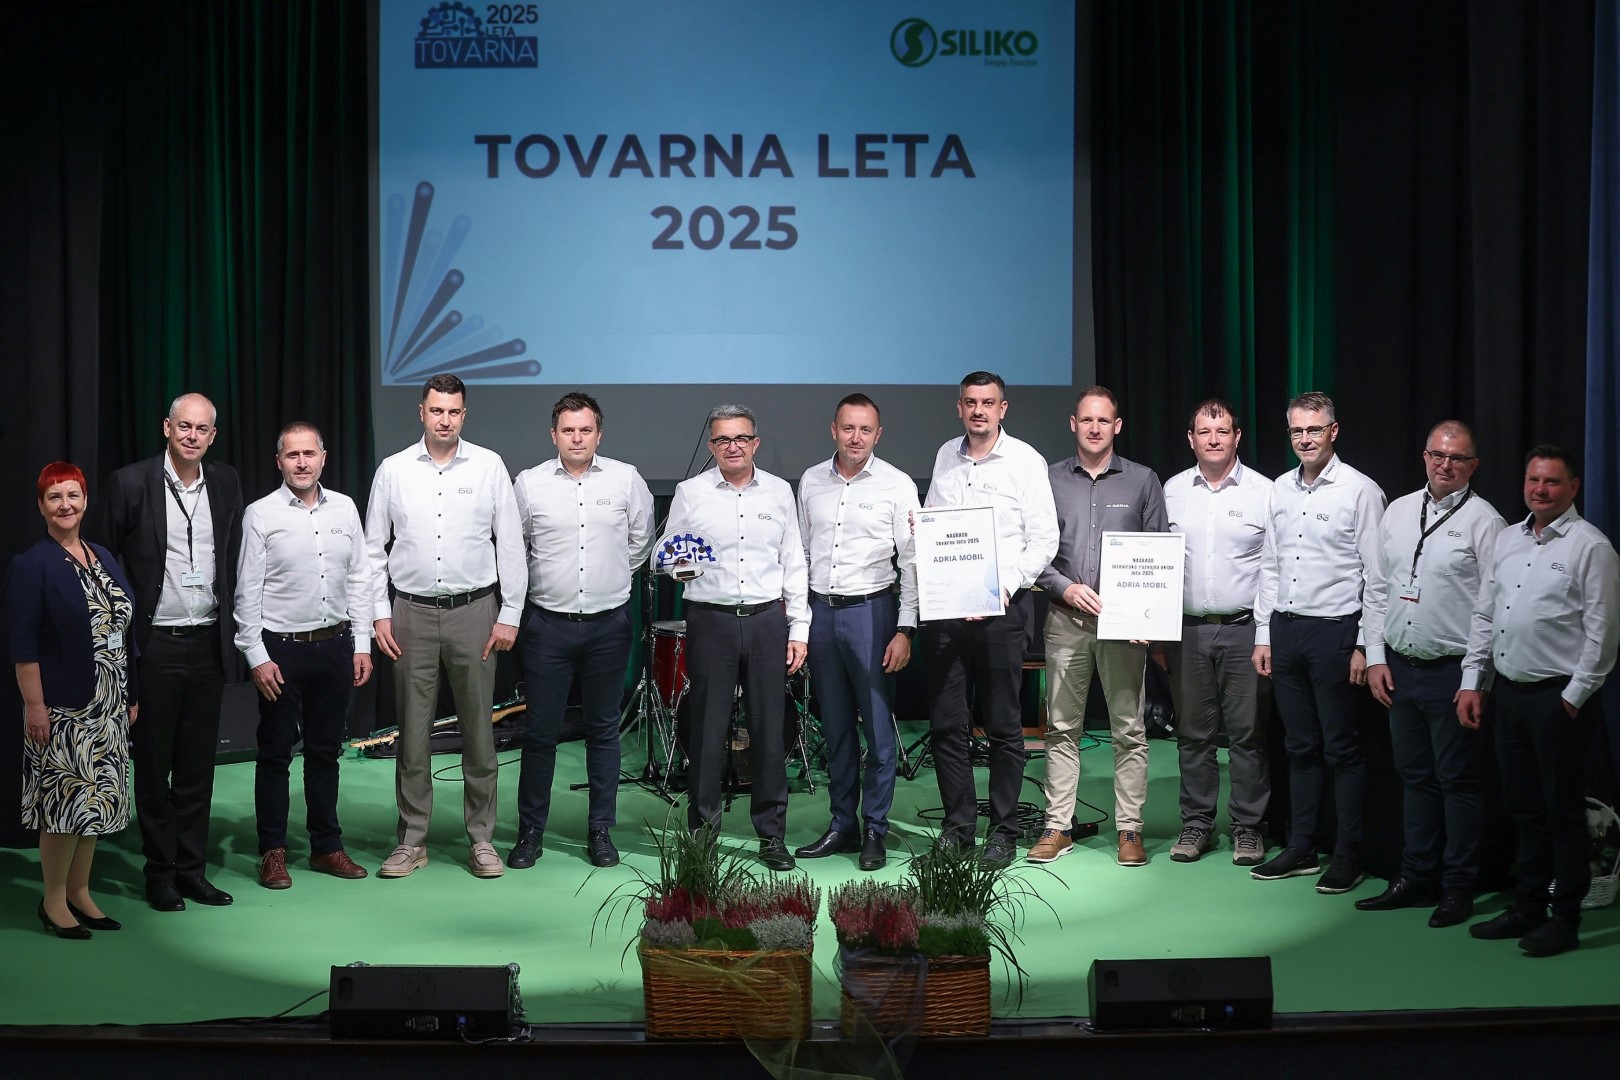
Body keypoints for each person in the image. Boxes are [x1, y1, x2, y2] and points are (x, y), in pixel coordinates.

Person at [1457, 446, 1619, 957]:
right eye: (1533, 480)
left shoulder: (1591, 548)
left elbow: (1603, 635)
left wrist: (1571, 699)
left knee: (1563, 814)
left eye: (1551, 482)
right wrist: (1474, 681)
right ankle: (1526, 906)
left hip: (1559, 700)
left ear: (1573, 487)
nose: (1540, 490)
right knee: (1523, 809)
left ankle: (1564, 919)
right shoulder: (1507, 539)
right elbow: (1485, 616)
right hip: (1509, 695)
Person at [365, 373, 525, 879]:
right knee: (412, 734)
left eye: (454, 411)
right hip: (409, 613)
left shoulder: (489, 465)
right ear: (422, 412)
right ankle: (412, 841)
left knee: (479, 732)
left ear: (464, 415)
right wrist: (379, 611)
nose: (445, 420)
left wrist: (510, 613)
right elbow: (372, 549)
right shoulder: (393, 470)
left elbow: (510, 544)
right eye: (437, 410)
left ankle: (482, 839)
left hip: (475, 612)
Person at [90, 392, 243, 912]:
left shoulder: (225, 481)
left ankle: (192, 870)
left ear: (212, 436)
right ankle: (160, 873)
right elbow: (101, 560)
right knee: (154, 766)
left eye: (202, 429)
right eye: (184, 426)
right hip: (153, 645)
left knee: (198, 766)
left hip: (208, 641)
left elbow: (231, 554)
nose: (192, 436)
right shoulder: (130, 483)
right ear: (166, 428)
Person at [1358, 422, 1504, 927]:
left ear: (1473, 466)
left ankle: (1457, 887)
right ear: (1425, 457)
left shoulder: (1487, 522)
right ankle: (1415, 877)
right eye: (1438, 455)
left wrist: (1473, 682)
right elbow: (1377, 589)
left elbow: (1490, 610)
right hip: (1401, 668)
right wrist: (1375, 655)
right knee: (1414, 778)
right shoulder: (1398, 511)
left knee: (1458, 783)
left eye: (1457, 458)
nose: (1446, 465)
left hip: (1452, 674)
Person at [658, 404, 809, 871]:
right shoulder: (690, 493)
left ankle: (771, 835)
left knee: (768, 731)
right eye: (723, 440)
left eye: (741, 438)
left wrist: (799, 627)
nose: (733, 447)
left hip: (766, 621)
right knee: (707, 730)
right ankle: (702, 837)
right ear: (711, 446)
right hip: (711, 620)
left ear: (755, 443)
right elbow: (670, 556)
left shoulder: (780, 492)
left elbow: (794, 561)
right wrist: (679, 566)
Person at [508, 392, 653, 869]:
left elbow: (640, 543)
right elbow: (515, 548)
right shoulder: (528, 484)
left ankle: (600, 830)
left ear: (599, 434)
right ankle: (530, 831)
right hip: (547, 625)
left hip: (608, 625)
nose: (576, 438)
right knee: (540, 732)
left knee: (603, 730)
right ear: (554, 435)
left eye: (585, 430)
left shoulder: (626, 479)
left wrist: (608, 580)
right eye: (567, 430)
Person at [1250, 391, 1385, 893]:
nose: (1305, 439)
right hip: (1285, 631)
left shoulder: (1360, 491)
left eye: (1314, 429)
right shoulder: (1280, 489)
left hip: (1335, 632)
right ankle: (1302, 845)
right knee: (1299, 745)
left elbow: (1377, 576)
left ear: (1333, 431)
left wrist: (1366, 645)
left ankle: (1348, 854)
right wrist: (1264, 634)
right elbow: (1270, 564)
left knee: (1342, 749)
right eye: (1296, 431)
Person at [922, 372, 1059, 869]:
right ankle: (958, 830)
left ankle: (1003, 832)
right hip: (949, 613)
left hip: (1004, 610)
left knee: (1003, 726)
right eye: (971, 402)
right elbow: (936, 525)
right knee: (947, 726)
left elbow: (1044, 539)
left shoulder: (1025, 460)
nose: (979, 411)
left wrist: (1004, 586)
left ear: (1003, 408)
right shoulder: (945, 456)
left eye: (988, 402)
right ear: (959, 407)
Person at [235, 422, 375, 889]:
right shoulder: (260, 514)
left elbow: (360, 578)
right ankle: (272, 852)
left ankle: (326, 847)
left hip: (334, 647)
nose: (301, 462)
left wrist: (361, 644)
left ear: (323, 458)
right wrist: (256, 655)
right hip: (281, 651)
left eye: (309, 453)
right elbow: (247, 590)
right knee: (275, 753)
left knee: (325, 753)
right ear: (279, 462)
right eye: (292, 455)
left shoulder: (345, 508)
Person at [1031, 386, 1167, 866]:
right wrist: (1063, 587)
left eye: (1103, 420)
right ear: (1073, 424)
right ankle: (1057, 827)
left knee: (1128, 729)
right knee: (1061, 728)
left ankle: (1130, 830)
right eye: (1086, 420)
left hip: (1122, 626)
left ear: (1117, 426)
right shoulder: (1046, 480)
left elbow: (1159, 552)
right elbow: (1034, 552)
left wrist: (1147, 612)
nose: (1094, 428)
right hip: (1064, 619)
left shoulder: (1143, 480)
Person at [10, 463, 140, 938]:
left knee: (94, 804)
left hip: (109, 706)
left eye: (73, 495)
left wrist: (130, 694)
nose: (65, 505)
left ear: (85, 501)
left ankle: (80, 892)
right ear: (41, 506)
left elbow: (125, 631)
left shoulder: (101, 554)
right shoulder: (32, 564)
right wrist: (34, 706)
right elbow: (24, 648)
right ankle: (53, 900)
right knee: (64, 809)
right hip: (63, 710)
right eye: (54, 497)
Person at [794, 394, 920, 871]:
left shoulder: (897, 484)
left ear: (878, 434)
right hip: (822, 614)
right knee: (836, 729)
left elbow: (911, 562)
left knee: (879, 733)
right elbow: (801, 553)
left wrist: (906, 628)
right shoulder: (811, 481)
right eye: (848, 428)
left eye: (865, 429)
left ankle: (875, 831)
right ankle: (841, 824)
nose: (856, 437)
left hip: (873, 613)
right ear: (833, 430)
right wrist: (799, 621)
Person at [1160, 399, 1272, 867]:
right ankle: (1197, 824)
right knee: (1193, 734)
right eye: (1204, 431)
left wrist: (1266, 634)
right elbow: (1157, 565)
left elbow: (1274, 569)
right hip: (1187, 632)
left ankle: (1248, 828)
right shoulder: (1171, 491)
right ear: (1191, 438)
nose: (1213, 439)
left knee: (1247, 735)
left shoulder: (1265, 492)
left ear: (1237, 436)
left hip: (1245, 630)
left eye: (1222, 431)